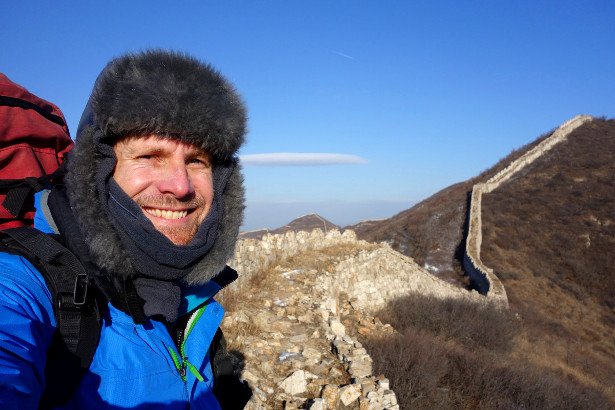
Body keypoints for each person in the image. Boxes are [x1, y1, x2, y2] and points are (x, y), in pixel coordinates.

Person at [0, 50, 251, 408]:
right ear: (96, 170)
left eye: (197, 161)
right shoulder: (24, 290)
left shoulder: (189, 296)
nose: (180, 186)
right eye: (150, 156)